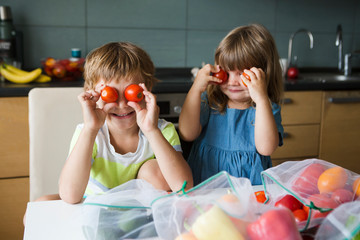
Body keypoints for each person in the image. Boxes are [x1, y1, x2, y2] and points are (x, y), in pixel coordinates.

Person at [178, 24, 284, 186]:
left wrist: (261, 99)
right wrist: (196, 89)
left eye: (242, 73)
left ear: (264, 73)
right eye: (226, 73)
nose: (233, 81)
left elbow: (266, 148)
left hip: (249, 188)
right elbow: (187, 133)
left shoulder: (265, 108)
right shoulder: (211, 101)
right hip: (206, 183)